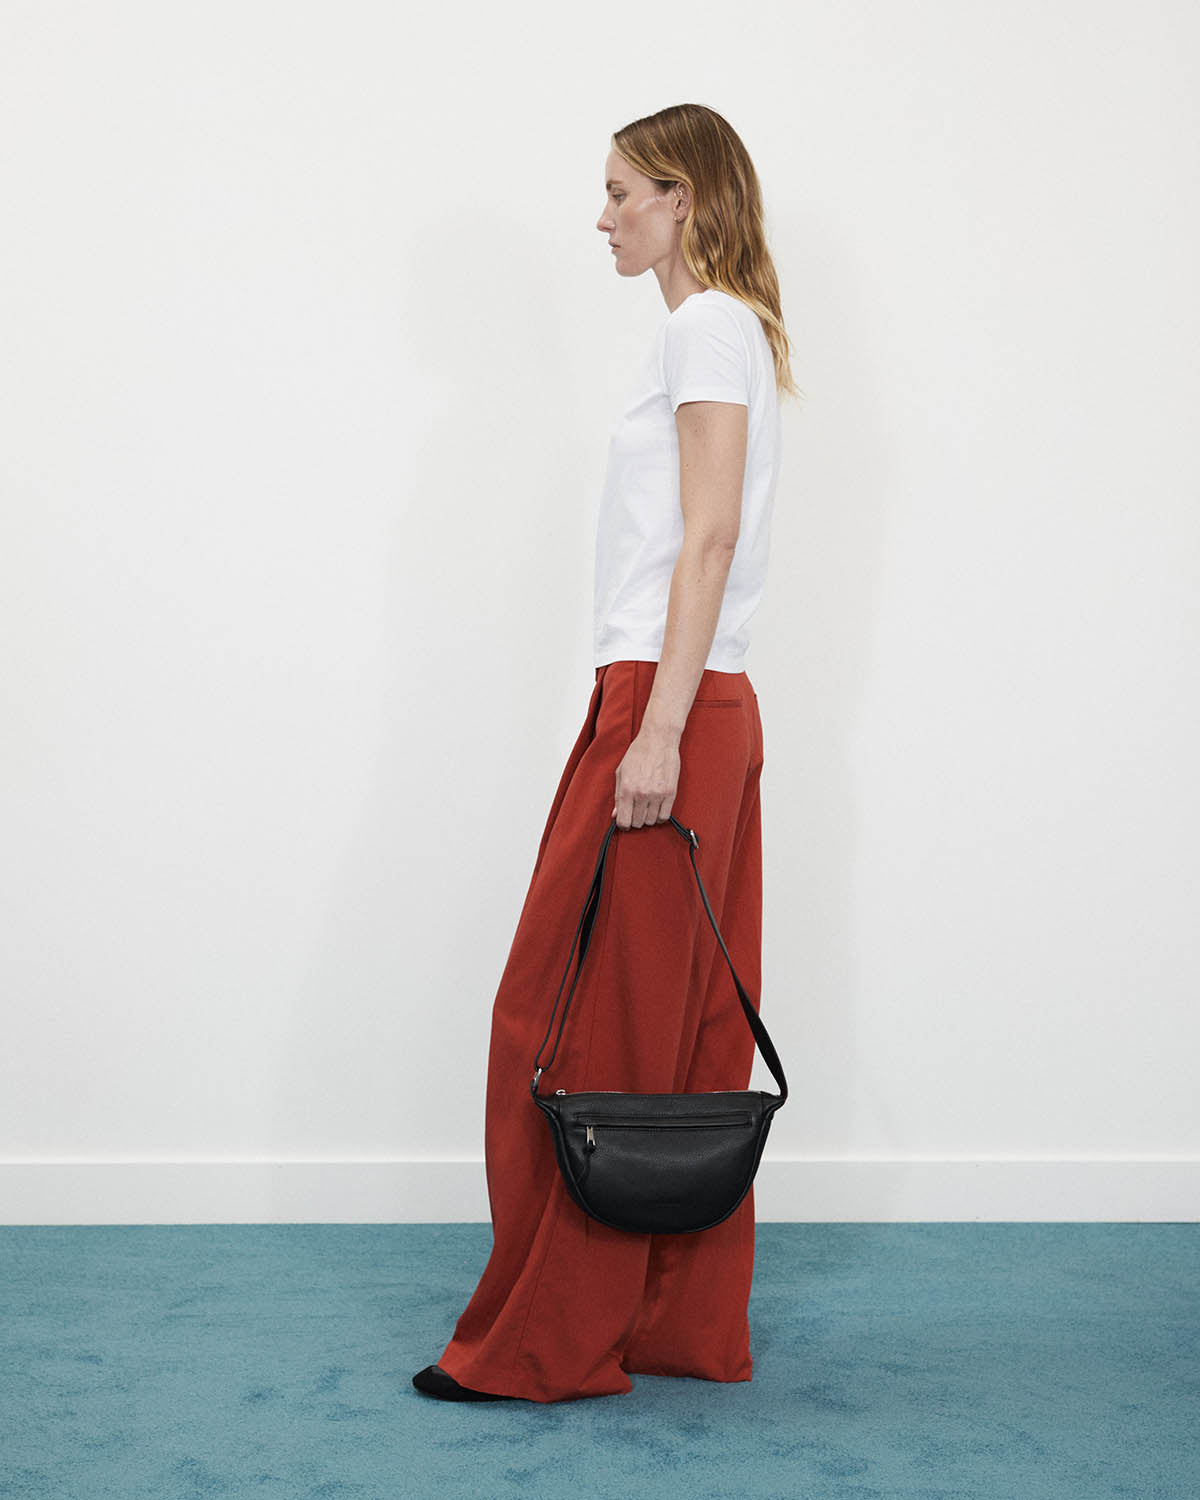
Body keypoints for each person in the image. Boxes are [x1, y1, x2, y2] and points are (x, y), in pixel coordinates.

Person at [413, 102, 798, 1404]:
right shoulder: (724, 329)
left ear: (683, 198)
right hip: (700, 701)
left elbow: (709, 536)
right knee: (678, 1031)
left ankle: (551, 1343)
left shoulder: (704, 328)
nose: (604, 216)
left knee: (578, 1021)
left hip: (669, 702)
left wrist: (659, 730)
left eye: (623, 191)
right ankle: (673, 1324)